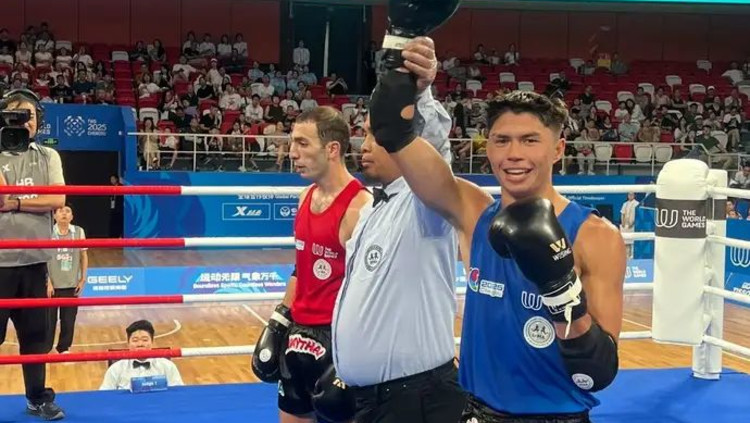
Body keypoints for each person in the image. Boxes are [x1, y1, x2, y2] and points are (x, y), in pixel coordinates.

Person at [367, 37, 625, 422]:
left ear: (558, 149)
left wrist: (561, 291)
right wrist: (412, 78)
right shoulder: (471, 211)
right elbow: (393, 131)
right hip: (476, 412)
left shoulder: (595, 236)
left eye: (530, 140)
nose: (514, 154)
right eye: (502, 141)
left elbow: (598, 373)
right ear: (487, 148)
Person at [328, 38, 467, 423]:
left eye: (377, 134)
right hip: (376, 399)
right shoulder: (373, 208)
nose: (365, 145)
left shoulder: (424, 203)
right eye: (366, 133)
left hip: (415, 399)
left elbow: (436, 155)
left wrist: (420, 93)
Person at [251, 106, 370, 423]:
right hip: (298, 334)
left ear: (332, 149)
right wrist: (279, 319)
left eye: (303, 143)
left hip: (339, 343)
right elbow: (301, 267)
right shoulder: (304, 197)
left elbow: (375, 291)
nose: (292, 152)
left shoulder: (360, 208)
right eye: (293, 142)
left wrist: (353, 353)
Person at [0, 88, 67, 420]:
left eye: (30, 115)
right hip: (0, 264)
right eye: (16, 115)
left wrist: (15, 203)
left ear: (39, 120)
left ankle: (38, 398)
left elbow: (57, 200)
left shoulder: (48, 156)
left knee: (36, 339)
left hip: (35, 262)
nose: (24, 121)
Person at [46, 204, 88, 354]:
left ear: (72, 216)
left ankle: (63, 347)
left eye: (67, 211)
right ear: (54, 216)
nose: (64, 213)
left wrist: (83, 278)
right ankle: (46, 347)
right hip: (51, 285)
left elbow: (83, 255)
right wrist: (47, 281)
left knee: (69, 320)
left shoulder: (79, 231)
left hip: (71, 284)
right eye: (60, 211)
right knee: (48, 321)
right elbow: (42, 258)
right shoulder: (47, 232)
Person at [99, 320, 184, 390]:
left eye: (145, 340)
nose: (140, 344)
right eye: (135, 340)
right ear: (128, 343)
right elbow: (104, 395)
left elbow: (178, 392)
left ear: (152, 342)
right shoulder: (116, 368)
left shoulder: (168, 366)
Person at [620, 192, 639, 259]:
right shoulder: (625, 204)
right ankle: (626, 256)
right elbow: (622, 213)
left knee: (632, 242)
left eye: (631, 195)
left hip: (633, 225)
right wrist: (622, 222)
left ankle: (632, 256)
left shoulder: (637, 204)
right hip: (625, 225)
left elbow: (638, 215)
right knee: (626, 241)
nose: (630, 196)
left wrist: (632, 223)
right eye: (629, 195)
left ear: (634, 195)